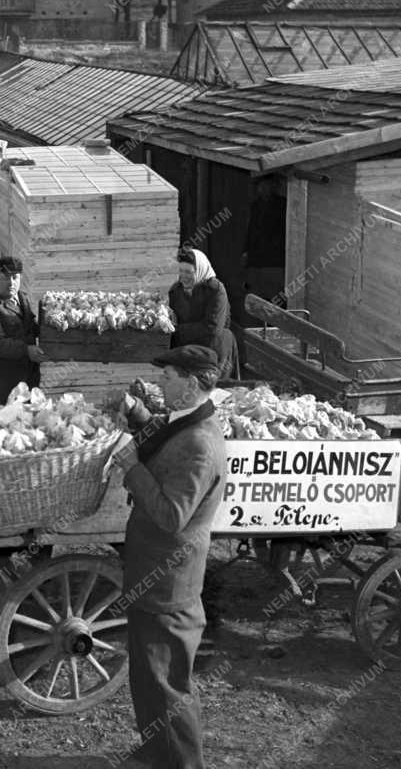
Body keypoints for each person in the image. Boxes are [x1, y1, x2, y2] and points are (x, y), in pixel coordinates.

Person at [110, 345, 228, 769]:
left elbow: (172, 516)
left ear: (191, 383)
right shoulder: (187, 421)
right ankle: (157, 752)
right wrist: (138, 414)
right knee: (147, 675)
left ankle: (183, 763)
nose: (161, 382)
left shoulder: (201, 444)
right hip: (154, 573)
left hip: (168, 581)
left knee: (167, 683)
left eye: (169, 376)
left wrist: (131, 467)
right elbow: (163, 440)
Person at [0, 256, 45, 405]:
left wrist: (51, 328)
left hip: (28, 375)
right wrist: (27, 350)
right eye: (5, 278)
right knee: (4, 415)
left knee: (29, 415)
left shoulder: (22, 298)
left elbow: (30, 327)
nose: (11, 283)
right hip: (2, 379)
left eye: (15, 277)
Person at [168, 248, 238, 380]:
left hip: (215, 349)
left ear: (200, 270)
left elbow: (213, 328)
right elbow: (173, 321)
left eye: (188, 272)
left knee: (214, 389)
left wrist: (176, 329)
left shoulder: (216, 290)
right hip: (187, 350)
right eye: (181, 271)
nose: (183, 276)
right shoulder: (175, 291)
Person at [241, 176, 287, 308]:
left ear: (273, 186)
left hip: (275, 260)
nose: (263, 189)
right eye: (261, 186)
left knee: (276, 298)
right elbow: (251, 230)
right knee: (258, 296)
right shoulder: (256, 206)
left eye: (266, 185)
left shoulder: (282, 205)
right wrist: (246, 251)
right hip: (257, 259)